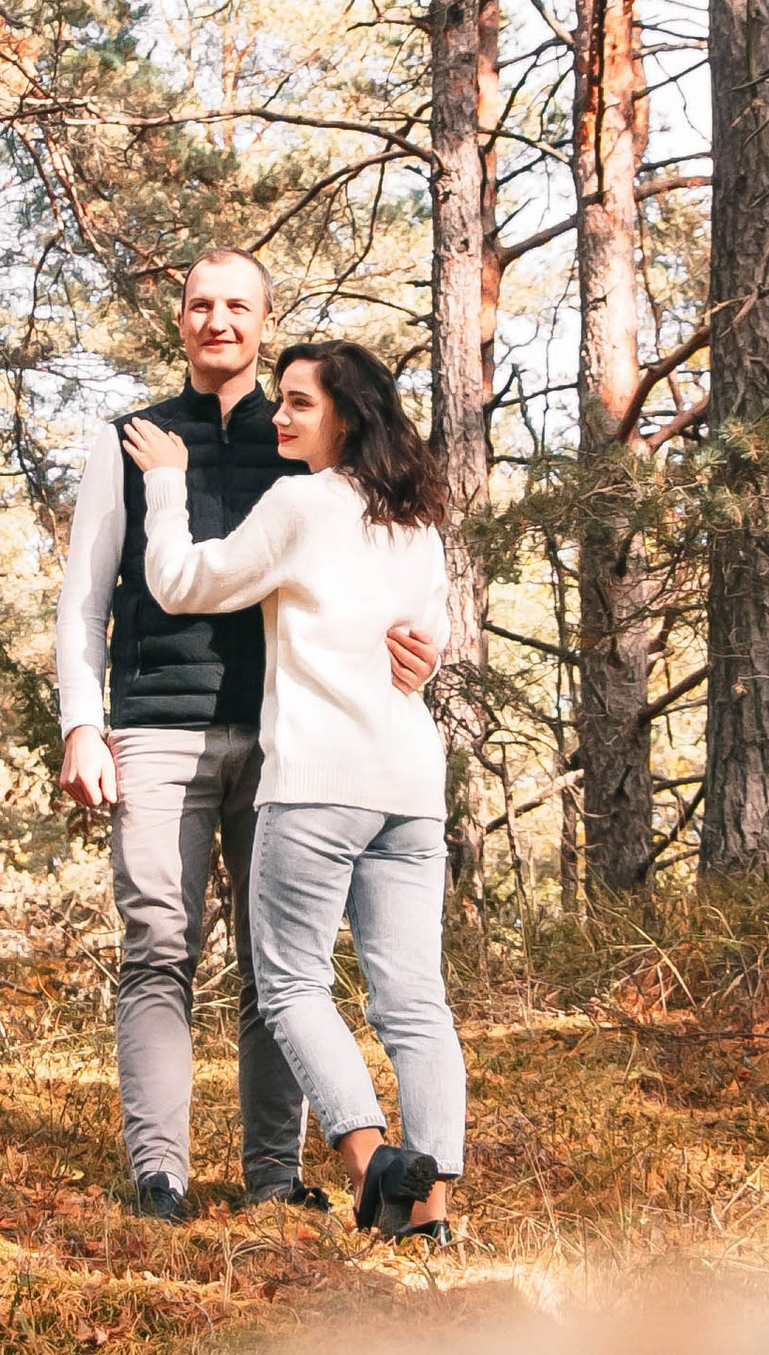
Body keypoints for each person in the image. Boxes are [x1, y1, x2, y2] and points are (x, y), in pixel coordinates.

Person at [55, 250, 437, 1223]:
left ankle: (274, 1177)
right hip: (154, 728)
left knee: (279, 967)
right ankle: (161, 1175)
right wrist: (83, 723)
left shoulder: (305, 444)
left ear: (266, 322)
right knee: (158, 945)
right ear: (180, 320)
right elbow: (84, 597)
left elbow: (378, 578)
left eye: (237, 305)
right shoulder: (131, 442)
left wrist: (421, 650)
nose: (216, 320)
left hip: (284, 742)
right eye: (200, 304)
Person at [124, 336, 464, 1246]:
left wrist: (167, 482)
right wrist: (424, 659)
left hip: (317, 784)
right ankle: (428, 1218)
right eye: (280, 400)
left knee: (289, 986)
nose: (279, 416)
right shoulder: (417, 524)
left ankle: (370, 1157)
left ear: (347, 417)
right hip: (411, 787)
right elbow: (426, 644)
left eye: (300, 403)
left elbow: (182, 583)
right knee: (414, 1003)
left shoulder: (303, 502)